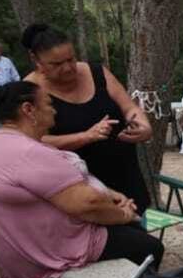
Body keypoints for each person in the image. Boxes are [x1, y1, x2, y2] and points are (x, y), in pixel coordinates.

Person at [0, 81, 163, 278]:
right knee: (150, 246)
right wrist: (122, 215)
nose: (54, 110)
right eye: (48, 104)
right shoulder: (28, 152)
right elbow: (88, 205)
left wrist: (110, 195)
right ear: (28, 110)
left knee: (133, 229)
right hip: (54, 252)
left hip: (28, 247)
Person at [22, 23, 154, 213]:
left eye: (71, 59)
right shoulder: (29, 92)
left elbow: (129, 107)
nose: (67, 68)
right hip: (80, 193)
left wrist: (143, 125)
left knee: (140, 236)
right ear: (36, 60)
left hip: (126, 177)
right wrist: (86, 136)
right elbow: (32, 143)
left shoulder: (97, 72)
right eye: (56, 64)